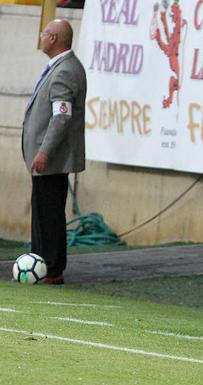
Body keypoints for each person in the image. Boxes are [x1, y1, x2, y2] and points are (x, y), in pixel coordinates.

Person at [21, 20, 86, 285]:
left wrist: (44, 152)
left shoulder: (65, 71)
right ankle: (42, 262)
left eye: (45, 33)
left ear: (55, 38)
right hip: (45, 159)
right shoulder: (59, 67)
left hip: (52, 160)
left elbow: (61, 118)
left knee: (49, 213)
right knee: (43, 211)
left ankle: (52, 268)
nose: (42, 37)